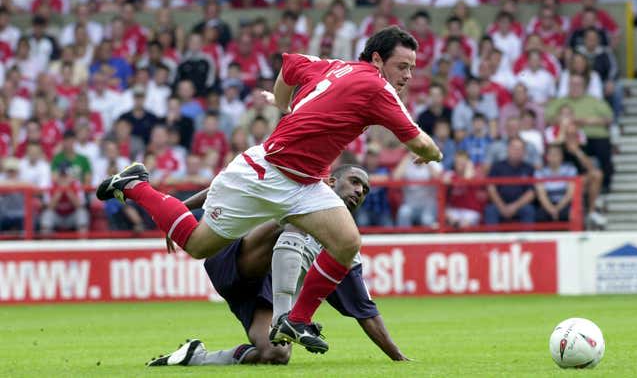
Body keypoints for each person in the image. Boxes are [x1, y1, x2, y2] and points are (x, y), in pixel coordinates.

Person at [96, 26, 442, 353]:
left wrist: (284, 105)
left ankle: (296, 321)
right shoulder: (376, 86)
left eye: (412, 68)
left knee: (347, 241)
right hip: (265, 174)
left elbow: (290, 65)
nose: (408, 75)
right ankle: (136, 186)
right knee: (199, 245)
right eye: (402, 66)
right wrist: (433, 154)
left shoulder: (332, 66)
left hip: (305, 182)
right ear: (377, 60)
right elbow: (422, 143)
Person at [147, 165, 408, 366]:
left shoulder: (346, 247)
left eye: (365, 190)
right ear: (330, 181)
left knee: (276, 354)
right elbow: (231, 184)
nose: (359, 191)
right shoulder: (301, 186)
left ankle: (196, 356)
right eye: (354, 182)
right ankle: (287, 318)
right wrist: (180, 210)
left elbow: (366, 311)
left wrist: (399, 358)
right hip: (234, 257)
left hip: (261, 290)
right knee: (299, 215)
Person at [484, 137, 536, 225]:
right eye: (514, 148)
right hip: (499, 204)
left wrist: (514, 207)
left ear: (524, 152)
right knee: (490, 210)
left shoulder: (529, 168)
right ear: (508, 149)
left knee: (529, 210)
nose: (516, 151)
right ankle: (492, 238)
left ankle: (527, 238)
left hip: (520, 205)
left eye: (520, 149)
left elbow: (531, 192)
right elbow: (491, 189)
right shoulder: (497, 166)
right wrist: (502, 207)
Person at [534, 145, 577, 222]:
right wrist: (552, 209)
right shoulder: (540, 172)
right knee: (539, 215)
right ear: (547, 157)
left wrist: (557, 209)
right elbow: (541, 195)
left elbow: (570, 193)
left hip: (565, 203)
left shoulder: (570, 169)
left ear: (561, 157)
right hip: (547, 204)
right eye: (551, 154)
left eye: (556, 154)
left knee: (571, 214)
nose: (554, 157)